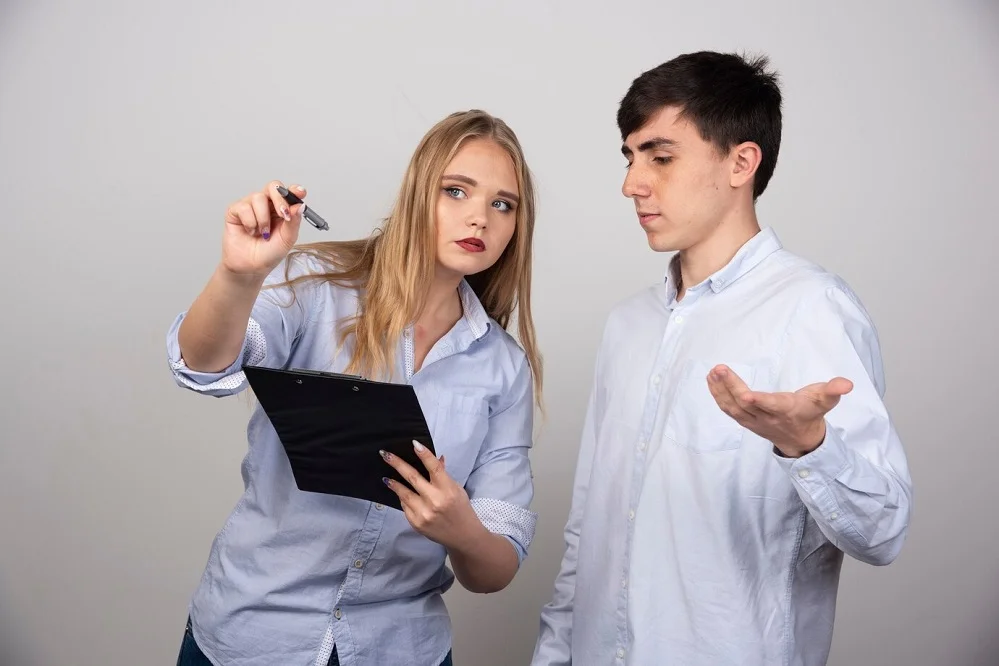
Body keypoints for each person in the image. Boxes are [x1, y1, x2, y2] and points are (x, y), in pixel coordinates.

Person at [531, 51, 913, 665]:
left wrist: (809, 445)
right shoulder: (627, 325)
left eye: (660, 156)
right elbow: (590, 530)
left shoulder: (812, 310)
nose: (632, 182)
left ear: (741, 162)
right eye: (629, 158)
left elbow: (884, 533)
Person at [166, 109, 543, 666]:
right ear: (418, 195)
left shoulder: (504, 369)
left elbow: (495, 571)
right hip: (253, 637)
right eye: (456, 191)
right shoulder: (314, 285)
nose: (479, 219)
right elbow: (204, 366)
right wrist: (238, 275)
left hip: (400, 648)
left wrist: (461, 528)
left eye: (502, 204)